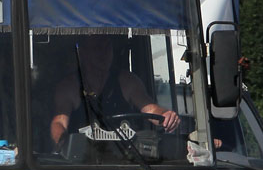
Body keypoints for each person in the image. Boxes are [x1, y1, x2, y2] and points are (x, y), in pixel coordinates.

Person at [48, 33, 179, 148]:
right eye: (97, 48)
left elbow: (150, 109)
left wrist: (165, 115)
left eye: (107, 47)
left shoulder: (128, 81)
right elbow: (59, 121)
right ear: (83, 53)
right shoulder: (68, 87)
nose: (104, 53)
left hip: (127, 159)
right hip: (83, 163)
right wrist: (61, 141)